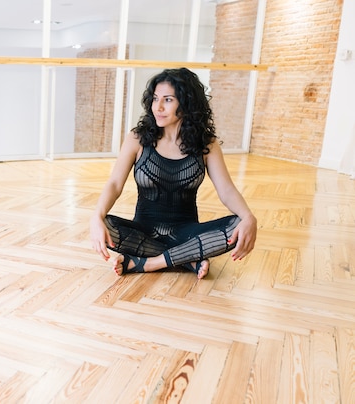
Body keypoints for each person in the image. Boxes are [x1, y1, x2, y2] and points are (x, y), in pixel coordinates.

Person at [90, 67, 257, 279]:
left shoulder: (207, 144)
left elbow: (226, 191)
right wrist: (96, 217)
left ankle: (148, 263)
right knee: (104, 224)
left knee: (237, 223)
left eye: (168, 100)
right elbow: (114, 183)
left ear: (186, 104)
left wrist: (249, 217)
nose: (158, 107)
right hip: (143, 232)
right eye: (155, 98)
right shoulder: (137, 138)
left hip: (187, 234)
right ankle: (188, 259)